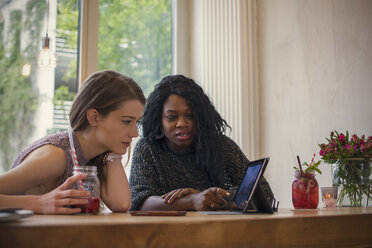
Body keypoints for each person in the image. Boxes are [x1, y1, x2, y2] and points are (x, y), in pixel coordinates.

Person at [0, 70, 145, 214]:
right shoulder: (55, 157)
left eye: (136, 123)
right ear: (94, 118)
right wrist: (38, 203)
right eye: (126, 121)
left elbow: (121, 204)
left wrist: (113, 157)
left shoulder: (96, 156)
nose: (135, 133)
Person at [129, 75, 274, 211]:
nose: (182, 123)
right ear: (159, 120)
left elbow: (264, 194)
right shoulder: (147, 148)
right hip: (164, 234)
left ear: (201, 117)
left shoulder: (222, 146)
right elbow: (139, 201)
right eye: (171, 117)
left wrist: (210, 198)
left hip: (219, 232)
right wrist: (192, 200)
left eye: (190, 116)